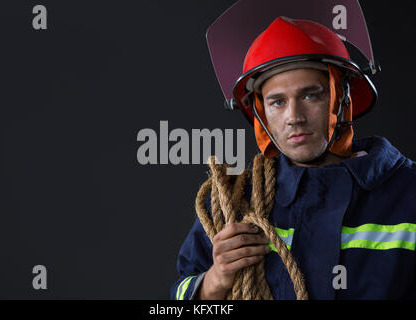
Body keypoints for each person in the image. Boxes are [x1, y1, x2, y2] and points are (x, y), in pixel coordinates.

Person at [171, 16, 416, 300]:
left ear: (342, 97)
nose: (294, 118)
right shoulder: (234, 204)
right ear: (260, 113)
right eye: (277, 102)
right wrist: (214, 281)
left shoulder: (407, 193)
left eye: (311, 96)